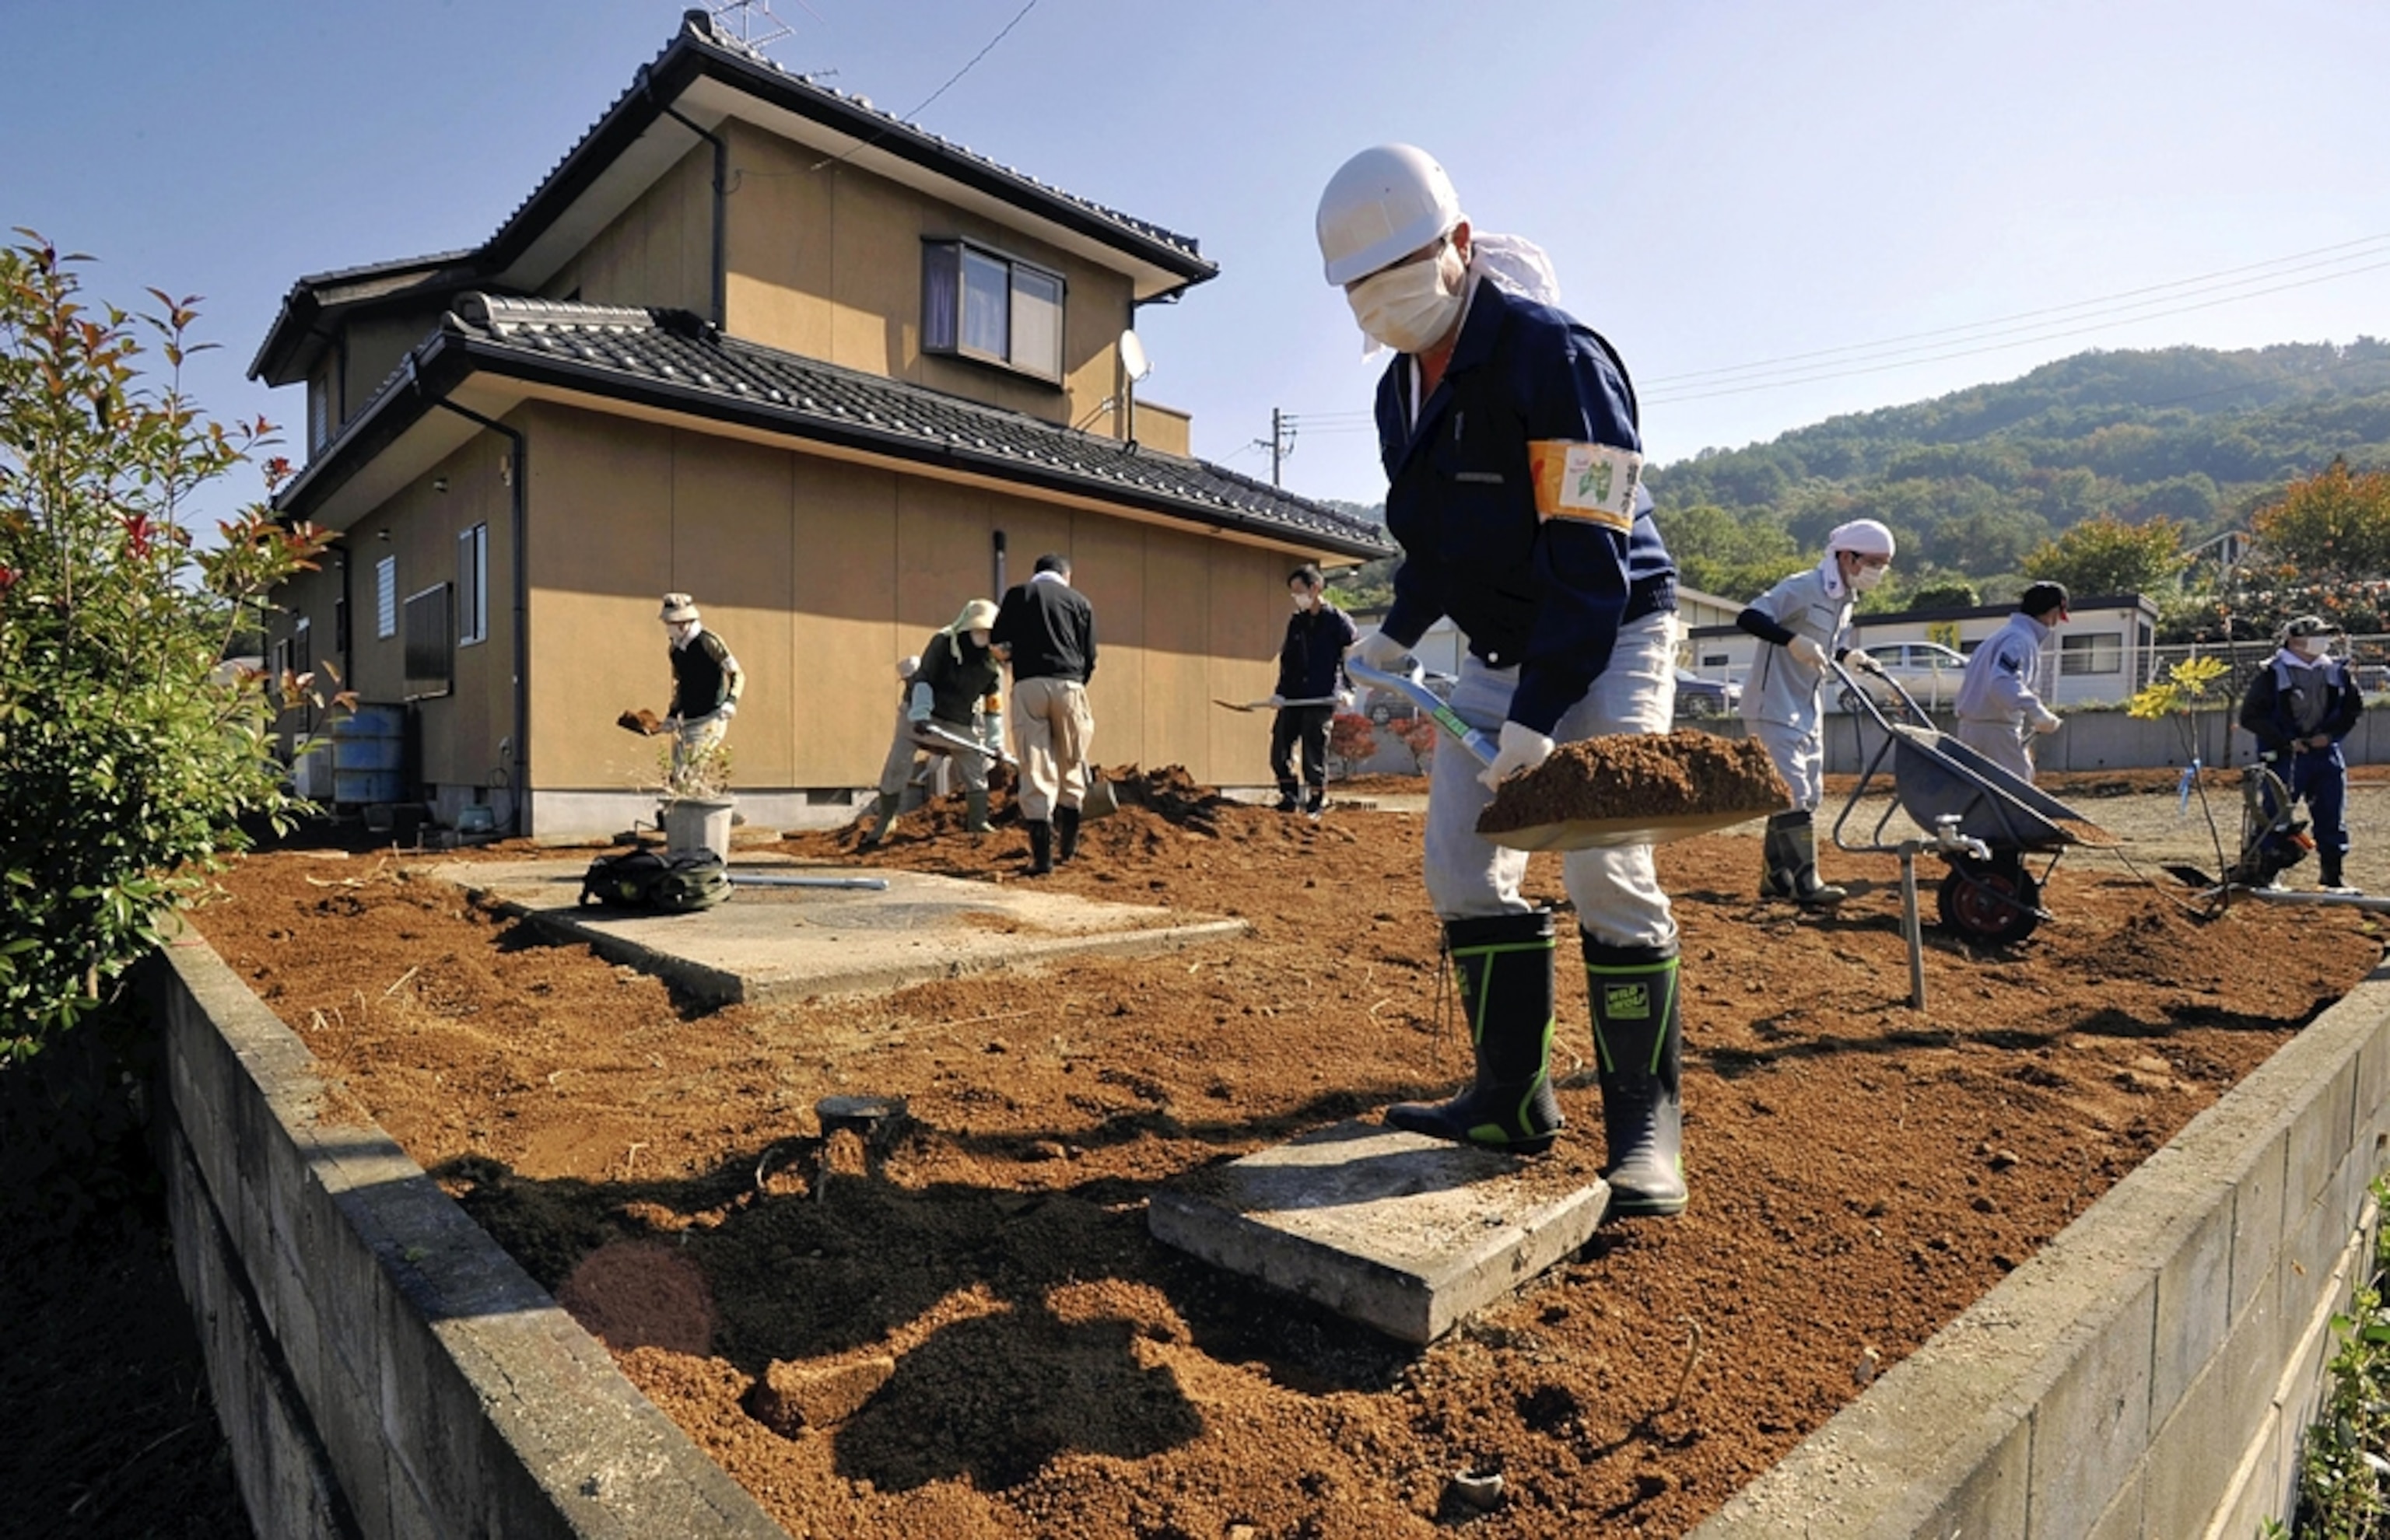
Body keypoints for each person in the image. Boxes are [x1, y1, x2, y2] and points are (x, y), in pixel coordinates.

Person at [1316, 142, 1689, 1216]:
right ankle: (1509, 1098)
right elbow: (1438, 541)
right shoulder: (1400, 394)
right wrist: (1397, 633)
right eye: (1360, 292)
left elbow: (1589, 560)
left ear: (1460, 248)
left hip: (1610, 629)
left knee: (1604, 865)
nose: (1382, 307)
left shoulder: (1561, 359)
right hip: (1497, 643)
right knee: (1463, 865)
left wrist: (1538, 723)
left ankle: (1645, 1134)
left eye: (1398, 277)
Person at [1736, 520, 1897, 906]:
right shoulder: (1804, 586)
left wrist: (1848, 656)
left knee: (1806, 794)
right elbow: (1750, 616)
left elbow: (1827, 644)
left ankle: (1776, 878)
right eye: (1874, 562)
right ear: (1846, 556)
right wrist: (1791, 640)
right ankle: (1807, 883)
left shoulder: (1844, 598)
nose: (1879, 571)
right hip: (1772, 702)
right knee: (1794, 794)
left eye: (1884, 564)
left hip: (1805, 707)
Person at [860, 601, 1005, 848]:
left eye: (988, 632)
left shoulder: (992, 665)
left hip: (959, 720)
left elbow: (993, 707)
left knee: (974, 769)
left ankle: (978, 821)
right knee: (897, 765)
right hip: (919, 714)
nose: (983, 636)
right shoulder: (943, 643)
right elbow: (924, 679)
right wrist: (921, 714)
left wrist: (995, 742)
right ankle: (886, 819)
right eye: (978, 631)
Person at [2240, 614, 2366, 894]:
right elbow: (2250, 716)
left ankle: (2332, 877)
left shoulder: (2336, 671)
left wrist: (2331, 736)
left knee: (2331, 813)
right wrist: (2286, 741)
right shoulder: (2272, 673)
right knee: (2275, 814)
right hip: (2285, 757)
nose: (2324, 642)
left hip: (2325, 755)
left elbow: (2353, 710)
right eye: (2317, 636)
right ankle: (2266, 873)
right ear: (2295, 641)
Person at [990, 554, 1096, 876]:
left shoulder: (1017, 595)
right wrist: (1076, 683)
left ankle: (1042, 860)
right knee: (1072, 759)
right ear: (1066, 574)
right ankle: (1069, 848)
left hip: (1029, 685)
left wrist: (1012, 659)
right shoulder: (1080, 602)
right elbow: (1090, 654)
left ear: (1036, 573)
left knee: (1035, 764)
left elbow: (997, 642)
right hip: (1070, 686)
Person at [1952, 581, 2069, 784]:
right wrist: (2037, 712)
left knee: (1975, 799)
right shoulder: (2020, 639)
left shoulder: (1999, 636)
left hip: (1971, 728)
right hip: (1995, 733)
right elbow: (2002, 684)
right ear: (2054, 611)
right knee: (2016, 797)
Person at [1271, 564, 1358, 816]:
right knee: (1280, 744)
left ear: (1315, 588)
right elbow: (1288, 661)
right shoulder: (1296, 623)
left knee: (1314, 744)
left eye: (1299, 591)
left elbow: (1352, 659)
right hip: (1294, 695)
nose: (1296, 597)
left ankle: (1317, 799)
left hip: (1323, 695)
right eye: (1293, 593)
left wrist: (1347, 688)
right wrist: (1280, 693)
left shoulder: (1338, 622)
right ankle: (1288, 795)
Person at [659, 592, 744, 789]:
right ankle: (702, 813)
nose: (667, 629)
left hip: (711, 717)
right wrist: (672, 714)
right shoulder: (675, 649)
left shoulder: (710, 642)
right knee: (677, 776)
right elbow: (681, 684)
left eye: (670, 624)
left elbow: (737, 674)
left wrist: (731, 701)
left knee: (692, 771)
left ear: (683, 623)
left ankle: (714, 815)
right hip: (687, 720)